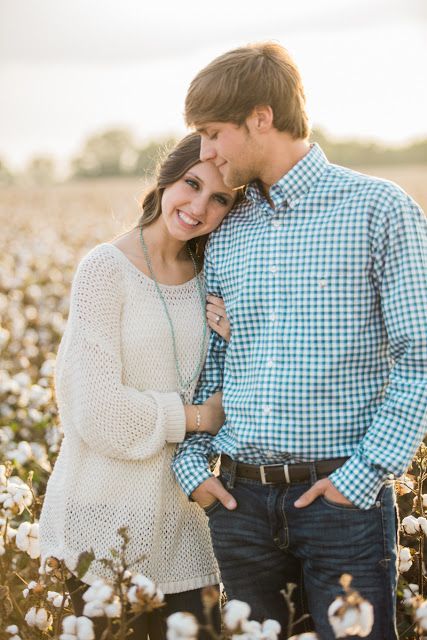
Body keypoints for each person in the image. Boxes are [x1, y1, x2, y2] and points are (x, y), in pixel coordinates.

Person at [172, 42, 427, 639]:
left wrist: (363, 477)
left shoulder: (379, 209)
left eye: (212, 133)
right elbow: (216, 360)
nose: (205, 152)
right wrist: (191, 465)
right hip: (239, 506)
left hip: (341, 502)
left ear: (260, 118)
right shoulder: (227, 226)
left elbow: (422, 358)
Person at [39, 132, 239, 639]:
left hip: (184, 526)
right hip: (102, 523)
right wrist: (195, 417)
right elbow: (99, 413)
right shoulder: (105, 270)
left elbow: (229, 382)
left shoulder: (212, 275)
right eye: (191, 184)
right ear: (166, 178)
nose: (198, 206)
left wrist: (241, 340)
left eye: (219, 198)